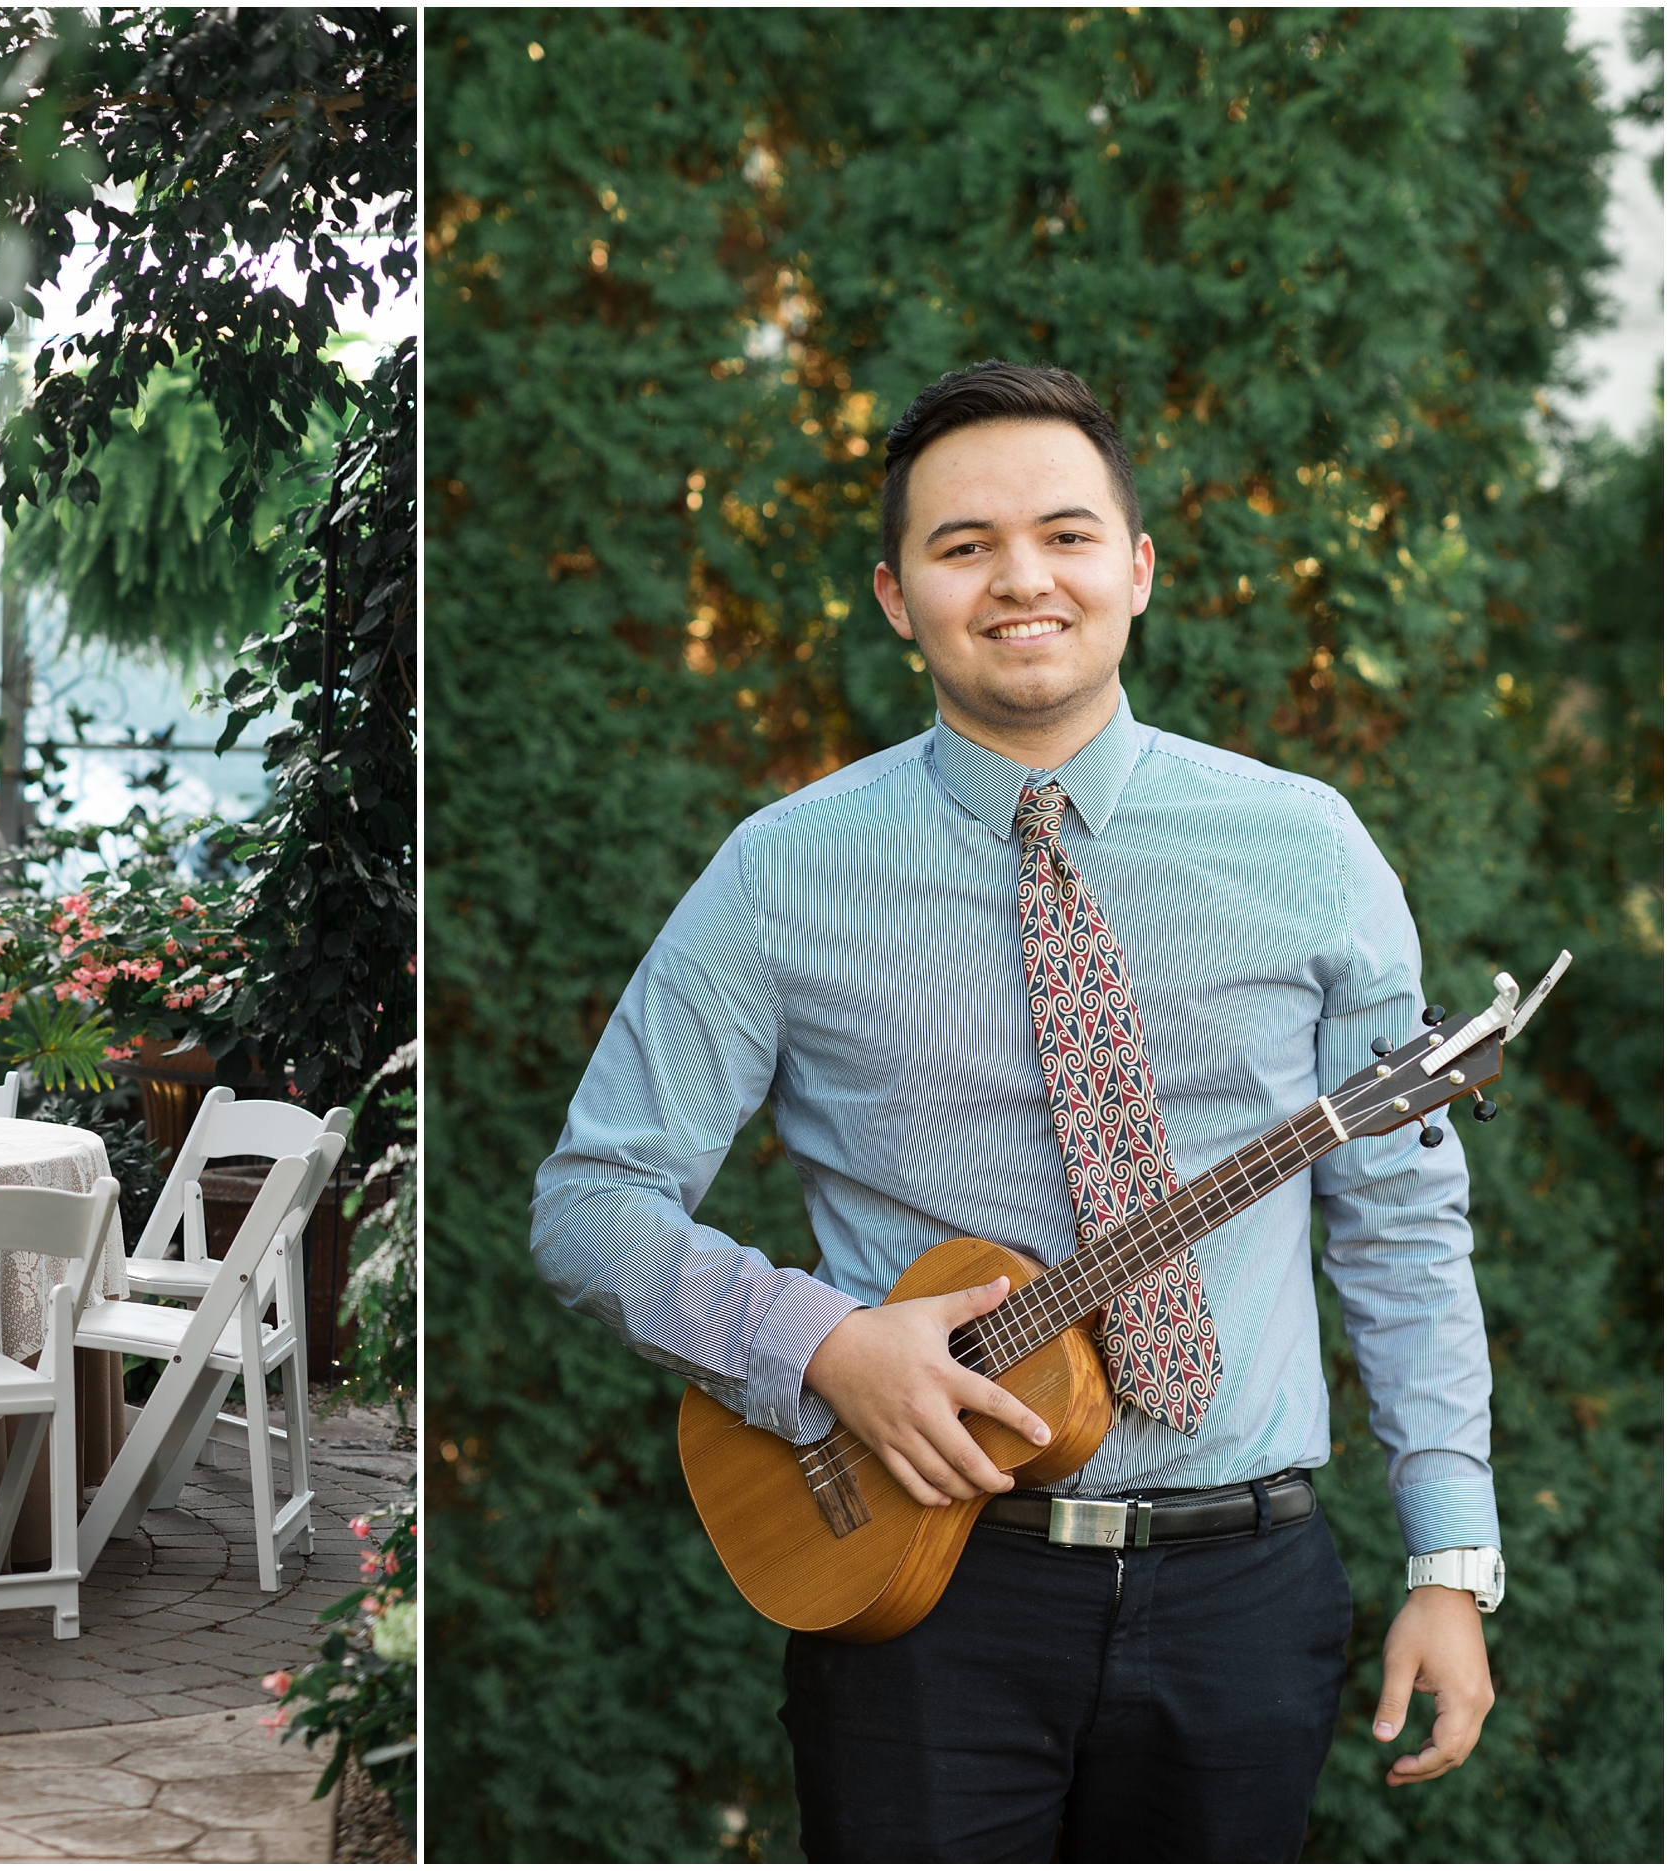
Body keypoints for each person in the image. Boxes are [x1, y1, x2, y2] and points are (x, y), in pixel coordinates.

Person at [530, 361, 1501, 1861]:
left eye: (1063, 532)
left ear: (1137, 571)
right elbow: (592, 1201)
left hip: (1250, 1594)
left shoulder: (1307, 845)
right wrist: (824, 1346)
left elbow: (1403, 1220)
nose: (1020, 579)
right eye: (962, 545)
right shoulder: (783, 872)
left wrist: (1449, 1556)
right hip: (927, 1591)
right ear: (896, 595)